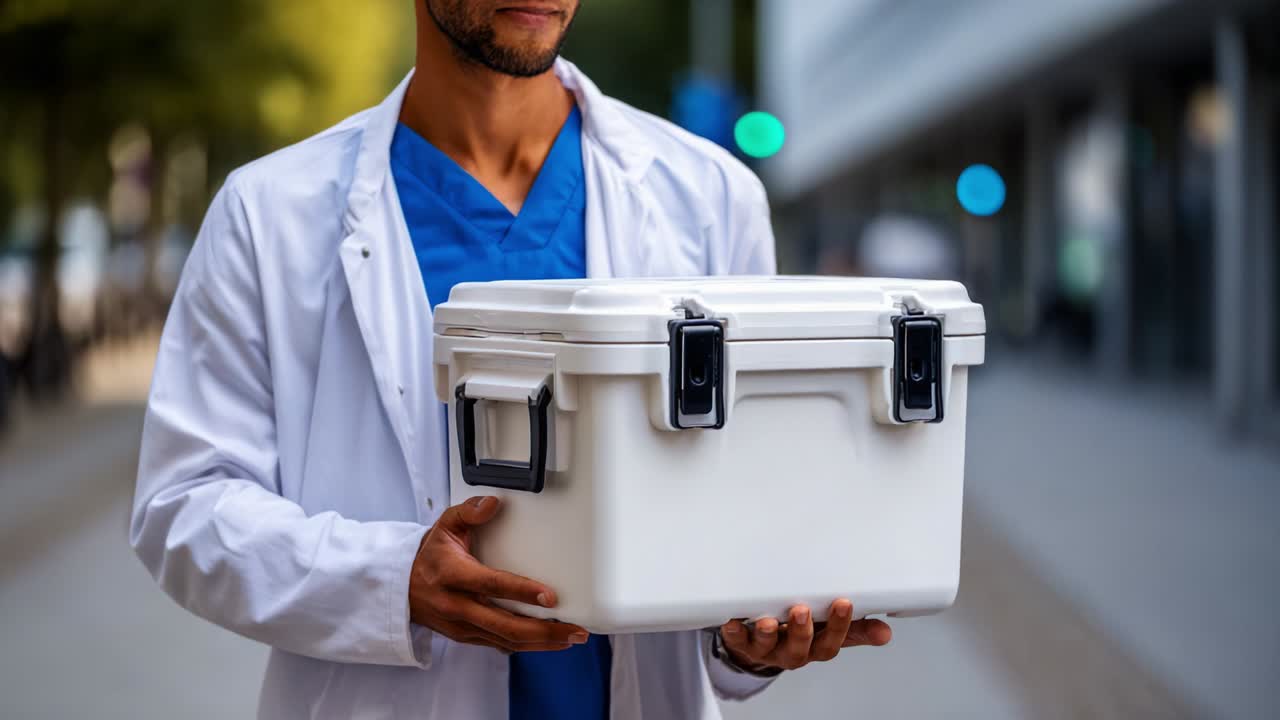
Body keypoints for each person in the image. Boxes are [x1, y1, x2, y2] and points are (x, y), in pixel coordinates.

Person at [130, 2, 892, 718]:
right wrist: (390, 582)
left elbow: (738, 504)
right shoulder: (267, 215)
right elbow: (186, 504)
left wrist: (745, 643)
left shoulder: (710, 198)